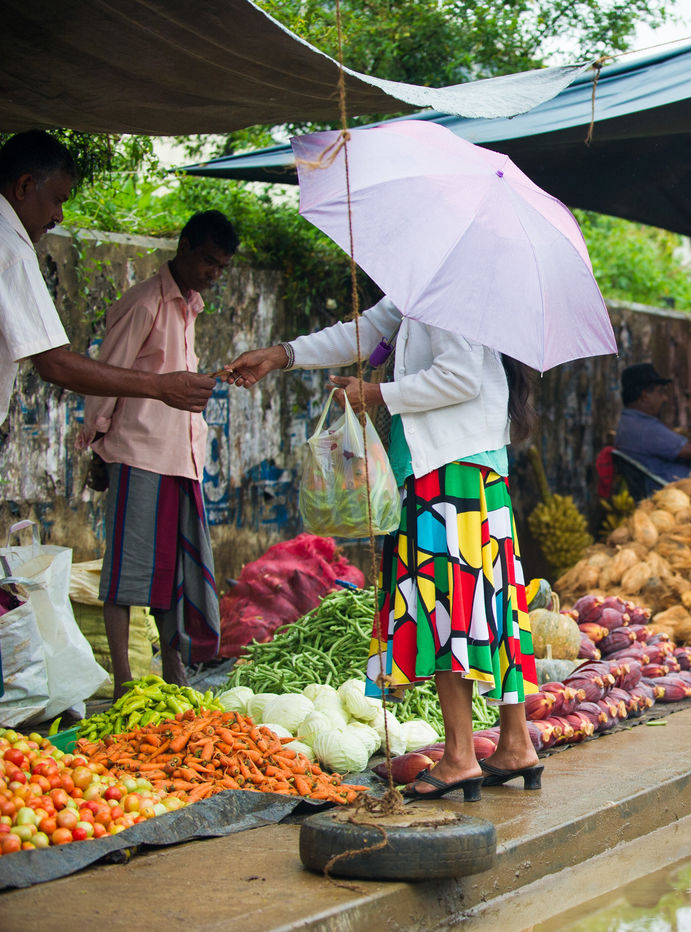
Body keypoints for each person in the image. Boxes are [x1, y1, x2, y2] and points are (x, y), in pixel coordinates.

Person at [226, 298, 542, 800]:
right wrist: (280, 355)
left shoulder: (445, 290)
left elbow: (460, 377)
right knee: (489, 610)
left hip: (447, 480)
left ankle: (461, 756)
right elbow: (365, 329)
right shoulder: (434, 288)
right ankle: (516, 744)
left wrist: (376, 392)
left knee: (447, 612)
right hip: (475, 476)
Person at [77, 211, 238, 695]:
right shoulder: (145, 302)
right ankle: (125, 682)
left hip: (180, 456)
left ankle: (174, 672)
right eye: (208, 260)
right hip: (138, 451)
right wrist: (97, 441)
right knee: (127, 571)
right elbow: (105, 373)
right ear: (184, 247)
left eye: (221, 266)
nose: (213, 272)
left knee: (173, 572)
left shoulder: (190, 305)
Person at [0, 130, 214, 429]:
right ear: (24, 186)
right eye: (57, 200)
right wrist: (160, 387)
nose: (59, 215)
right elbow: (54, 364)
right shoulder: (11, 250)